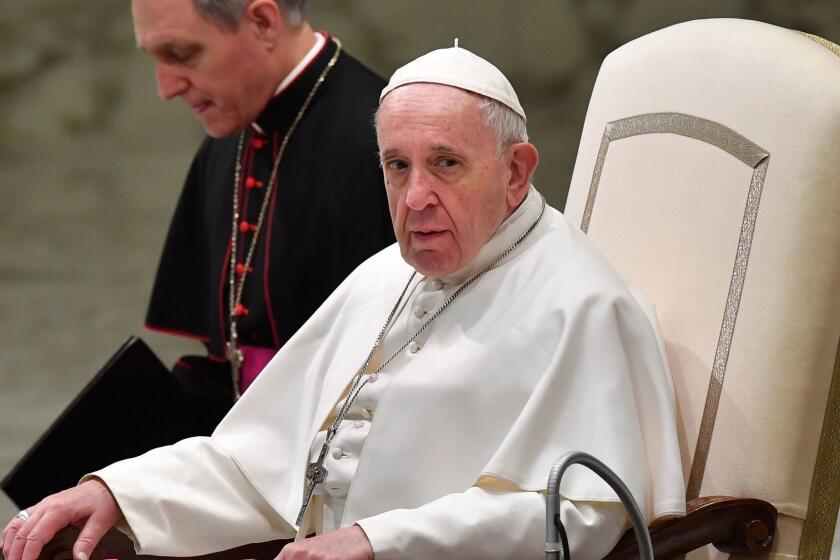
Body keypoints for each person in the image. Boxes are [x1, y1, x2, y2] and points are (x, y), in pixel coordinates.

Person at [3, 46, 686, 560]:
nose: (415, 197)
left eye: (446, 164)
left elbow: (580, 516)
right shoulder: (385, 276)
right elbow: (257, 463)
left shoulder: (584, 305)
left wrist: (376, 542)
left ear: (515, 172)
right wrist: (117, 492)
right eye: (397, 166)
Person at [139, 0, 395, 407]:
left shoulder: (389, 148)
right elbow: (226, 370)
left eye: (181, 54)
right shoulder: (225, 142)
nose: (165, 88)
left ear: (263, 22)